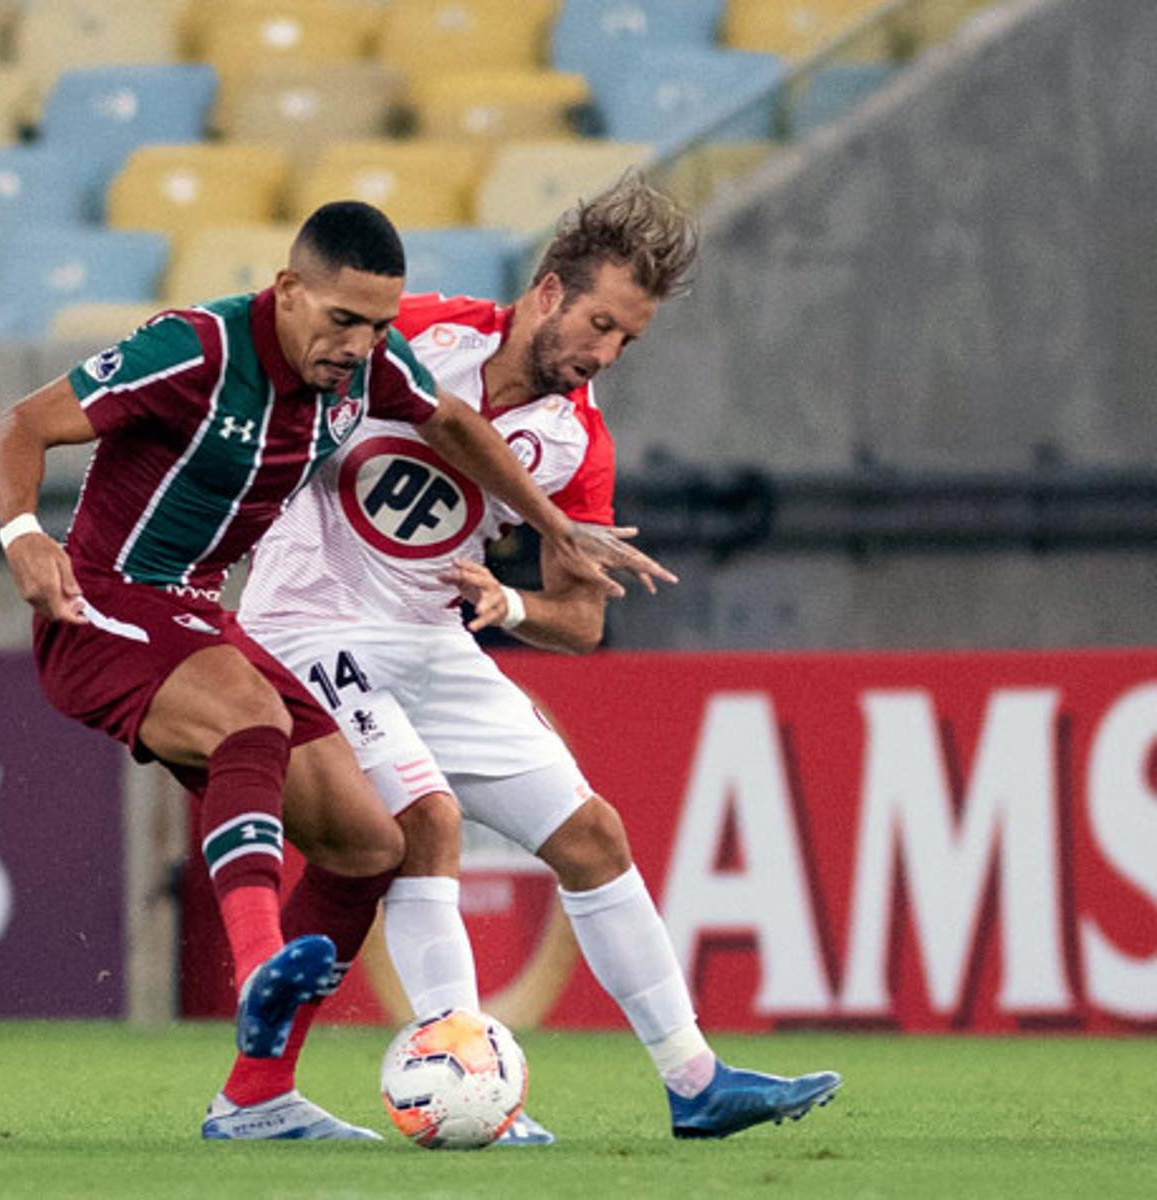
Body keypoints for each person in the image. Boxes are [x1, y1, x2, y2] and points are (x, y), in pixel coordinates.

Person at [0, 200, 673, 1140]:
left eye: (379, 325)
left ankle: (255, 1097)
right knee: (253, 720)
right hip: (103, 601)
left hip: (195, 609)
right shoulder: (196, 348)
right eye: (342, 319)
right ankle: (264, 961)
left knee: (367, 845)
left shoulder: (373, 366)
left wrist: (554, 526)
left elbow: (457, 427)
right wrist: (24, 535)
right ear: (288, 291)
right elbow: (20, 426)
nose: (359, 344)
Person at [238, 174, 841, 1142]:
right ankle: (459, 1074)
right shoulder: (425, 331)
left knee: (595, 836)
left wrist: (511, 598)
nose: (604, 356)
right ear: (550, 292)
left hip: (435, 641)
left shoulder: (577, 441)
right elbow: (399, 407)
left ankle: (695, 1079)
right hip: (313, 624)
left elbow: (582, 623)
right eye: (600, 325)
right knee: (426, 821)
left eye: (627, 343)